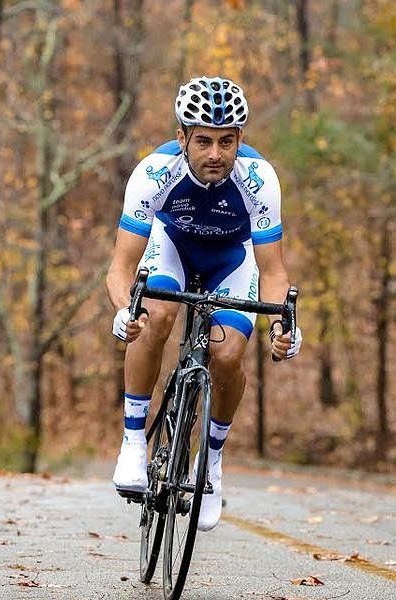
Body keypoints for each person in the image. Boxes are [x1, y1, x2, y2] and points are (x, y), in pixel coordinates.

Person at [105, 76, 302, 531]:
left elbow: (273, 271)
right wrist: (123, 310)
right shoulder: (154, 172)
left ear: (240, 140)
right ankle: (133, 441)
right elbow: (120, 268)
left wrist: (282, 326)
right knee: (155, 314)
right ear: (182, 138)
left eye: (226, 142)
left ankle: (210, 461)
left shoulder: (259, 180)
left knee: (228, 353)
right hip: (171, 247)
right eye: (204, 141)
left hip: (232, 259)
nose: (216, 153)